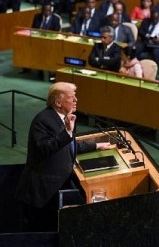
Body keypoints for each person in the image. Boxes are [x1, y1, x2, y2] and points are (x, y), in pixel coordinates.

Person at [15, 82, 111, 232]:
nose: (76, 100)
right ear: (58, 102)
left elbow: (68, 146)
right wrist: (66, 132)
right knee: (41, 233)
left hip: (59, 186)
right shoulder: (43, 120)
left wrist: (96, 145)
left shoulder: (66, 117)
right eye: (72, 97)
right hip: (43, 192)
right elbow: (44, 148)